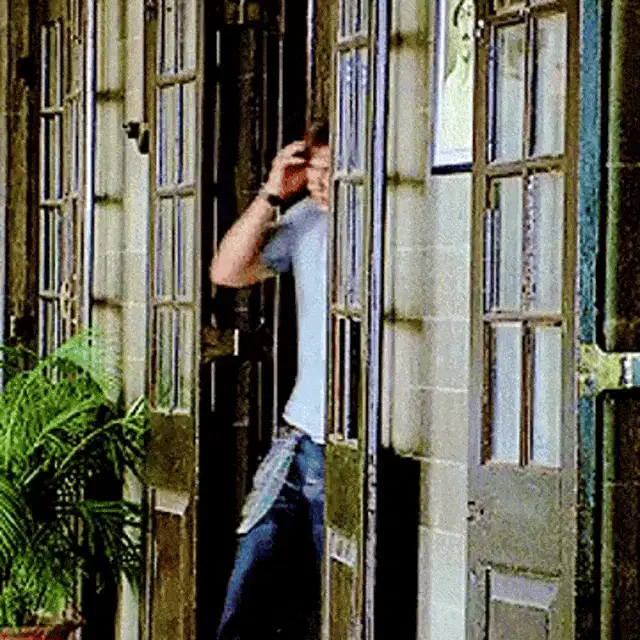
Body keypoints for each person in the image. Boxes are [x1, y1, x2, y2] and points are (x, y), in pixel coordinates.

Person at [210, 120, 331, 639]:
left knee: (336, 598)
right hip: (300, 438)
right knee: (249, 588)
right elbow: (226, 271)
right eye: (315, 169)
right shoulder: (305, 219)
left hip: (351, 445)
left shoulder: (386, 222)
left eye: (331, 169)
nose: (321, 180)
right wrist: (271, 194)